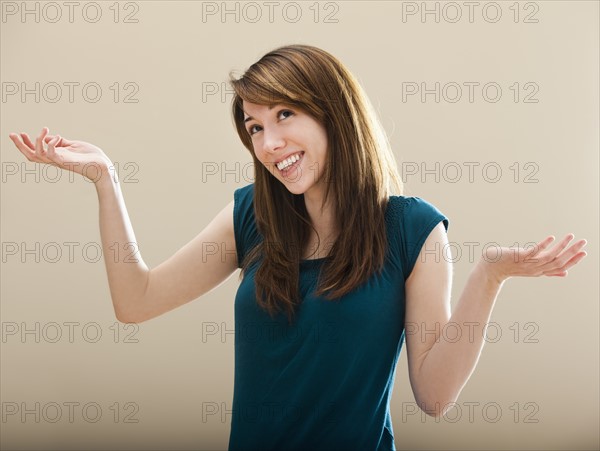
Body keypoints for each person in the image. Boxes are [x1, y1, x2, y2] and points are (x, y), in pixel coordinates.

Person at [9, 44, 587, 451]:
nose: (269, 141)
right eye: (255, 126)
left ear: (335, 115)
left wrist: (489, 276)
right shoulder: (252, 218)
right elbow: (136, 300)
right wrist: (105, 179)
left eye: (285, 114)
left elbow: (434, 397)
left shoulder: (413, 230)